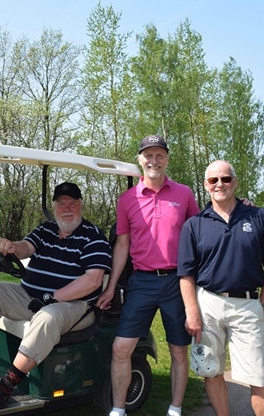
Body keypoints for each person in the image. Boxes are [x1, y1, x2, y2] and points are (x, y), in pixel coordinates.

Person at [0, 182, 112, 414]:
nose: (67, 208)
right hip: (32, 296)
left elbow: (92, 281)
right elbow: (25, 248)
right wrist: (10, 246)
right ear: (54, 207)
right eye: (61, 204)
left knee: (47, 316)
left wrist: (52, 297)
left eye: (72, 203)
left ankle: (4, 388)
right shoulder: (46, 230)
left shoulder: (93, 237)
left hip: (74, 306)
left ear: (81, 206)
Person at [97, 135, 200, 416]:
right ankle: (118, 410)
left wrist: (240, 207)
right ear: (140, 159)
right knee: (121, 348)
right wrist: (111, 286)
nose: (154, 161)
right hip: (141, 282)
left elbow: (202, 230)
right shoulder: (127, 199)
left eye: (159, 155)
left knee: (179, 351)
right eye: (148, 155)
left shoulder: (184, 194)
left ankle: (175, 409)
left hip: (176, 282)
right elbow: (122, 244)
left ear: (166, 159)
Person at [177, 160, 264, 416]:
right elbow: (186, 275)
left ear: (234, 182)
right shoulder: (195, 224)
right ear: (206, 185)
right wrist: (192, 313)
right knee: (211, 372)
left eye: (225, 179)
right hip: (208, 305)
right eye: (213, 180)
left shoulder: (259, 217)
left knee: (259, 377)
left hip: (247, 306)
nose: (220, 184)